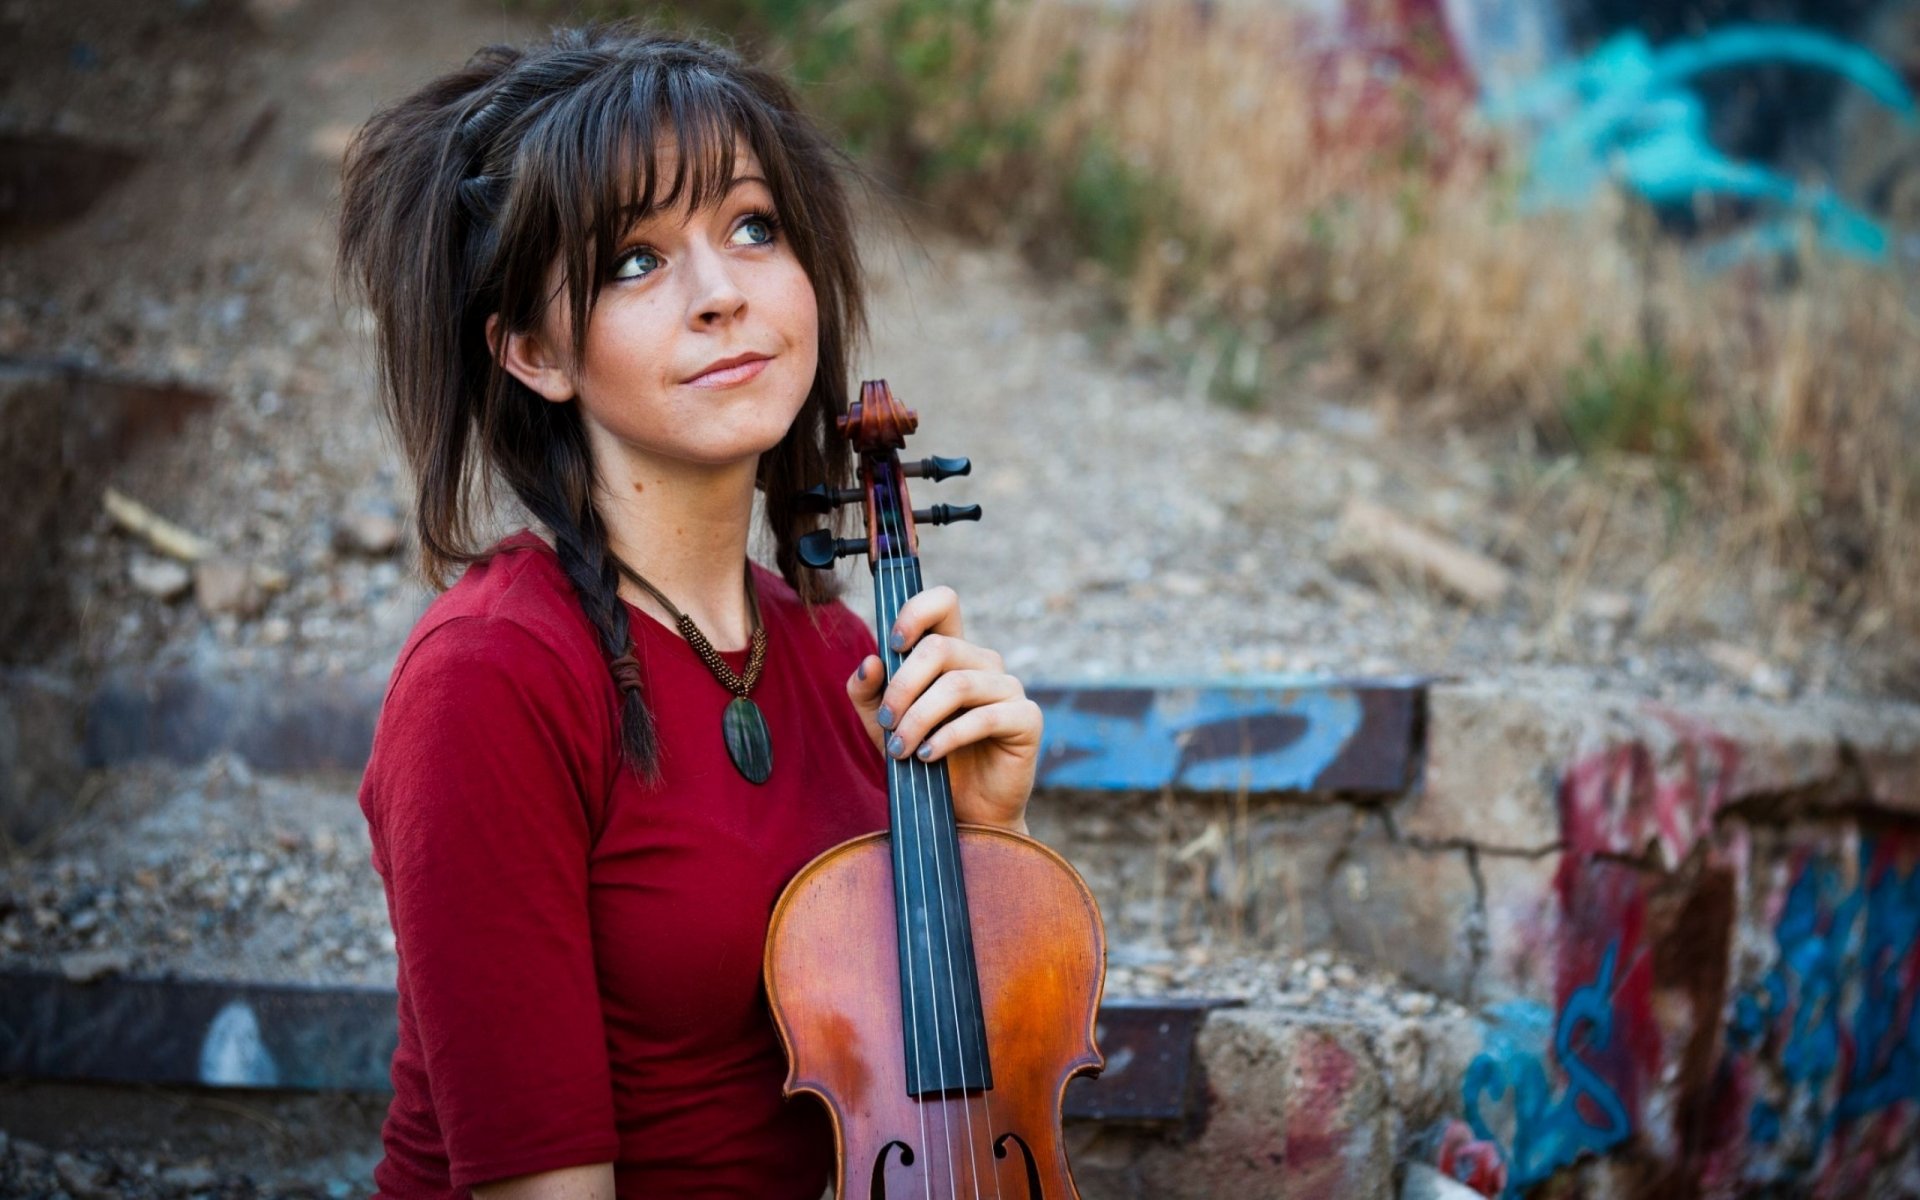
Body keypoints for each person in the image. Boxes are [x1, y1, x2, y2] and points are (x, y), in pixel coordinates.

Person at [335, 21, 1043, 1200]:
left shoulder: (840, 654)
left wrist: (989, 843)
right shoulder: (494, 679)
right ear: (530, 352)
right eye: (635, 261)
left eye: (753, 227)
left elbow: (953, 1111)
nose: (721, 295)